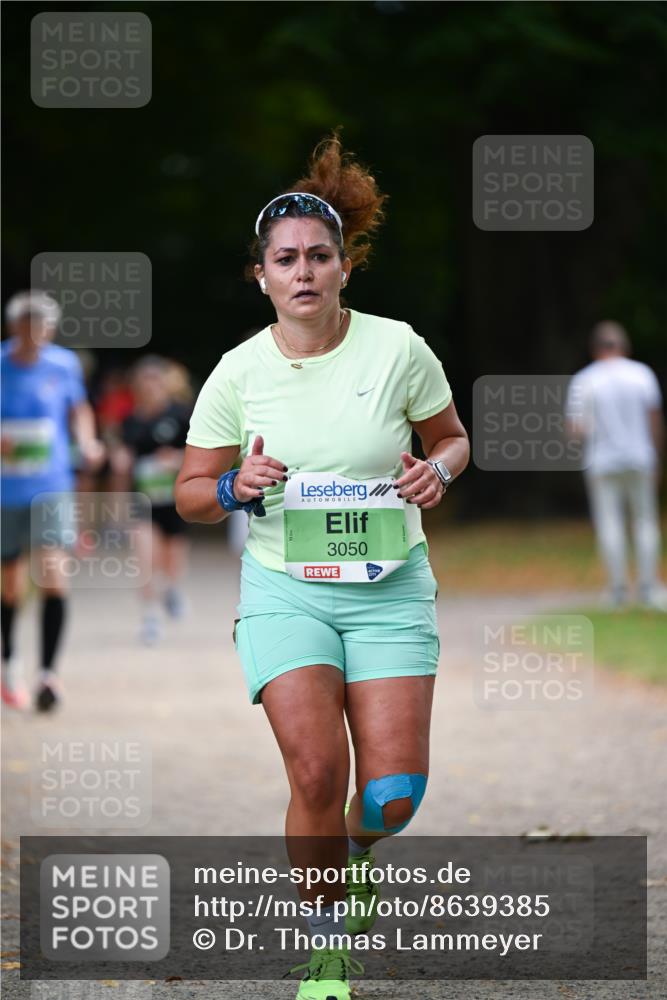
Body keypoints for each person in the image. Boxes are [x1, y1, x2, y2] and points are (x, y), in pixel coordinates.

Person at [175, 134, 469, 1000]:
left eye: (318, 256)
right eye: (285, 260)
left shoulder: (398, 349)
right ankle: (327, 947)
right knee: (313, 772)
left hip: (388, 591)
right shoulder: (237, 373)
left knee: (392, 797)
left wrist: (437, 471)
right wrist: (231, 485)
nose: (302, 271)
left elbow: (451, 439)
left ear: (345, 266)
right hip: (284, 592)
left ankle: (351, 850)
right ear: (260, 276)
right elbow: (189, 494)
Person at [1, 290, 105, 711]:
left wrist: (88, 441)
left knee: (52, 574)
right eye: (28, 327)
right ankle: (10, 664)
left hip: (51, 486)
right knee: (10, 586)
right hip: (5, 491)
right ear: (14, 327)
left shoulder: (63, 365)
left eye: (42, 328)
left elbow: (79, 410)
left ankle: (48, 674)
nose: (35, 335)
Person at [565, 321, 665, 609]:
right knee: (645, 521)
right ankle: (648, 588)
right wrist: (657, 456)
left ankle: (617, 590)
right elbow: (654, 419)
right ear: (624, 346)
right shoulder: (641, 374)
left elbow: (575, 429)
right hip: (640, 456)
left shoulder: (585, 379)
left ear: (595, 348)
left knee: (609, 523)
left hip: (602, 461)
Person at [111, 355, 191, 644]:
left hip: (175, 500)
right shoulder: (130, 422)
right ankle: (150, 616)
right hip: (142, 501)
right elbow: (123, 462)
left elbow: (200, 456)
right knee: (145, 558)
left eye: (155, 381)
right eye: (144, 382)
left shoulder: (181, 416)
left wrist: (177, 459)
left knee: (172, 558)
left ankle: (172, 588)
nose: (150, 387)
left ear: (165, 384)